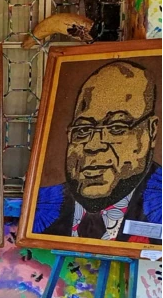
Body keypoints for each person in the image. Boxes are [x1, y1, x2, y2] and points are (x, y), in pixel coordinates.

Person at [34, 60, 160, 243]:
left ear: (150, 132)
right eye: (83, 130)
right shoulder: (41, 206)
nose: (93, 145)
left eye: (117, 127)